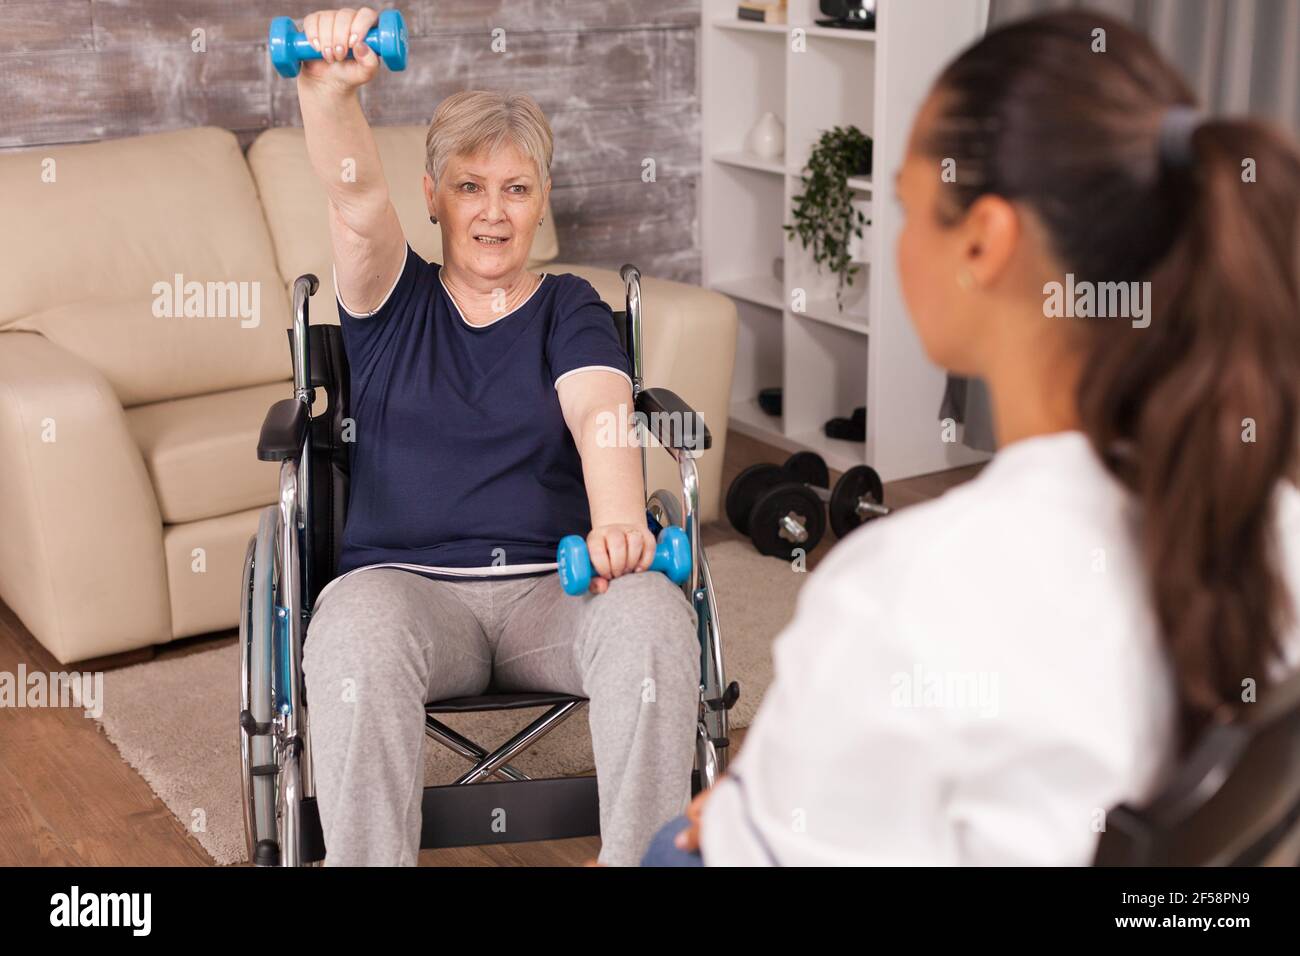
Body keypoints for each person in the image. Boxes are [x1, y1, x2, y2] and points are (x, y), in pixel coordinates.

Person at [646, 11, 1300, 866]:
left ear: (986, 241)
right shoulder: (1277, 524)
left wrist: (732, 817)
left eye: (910, 208)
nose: (899, 242)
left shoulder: (900, 595)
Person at [292, 7, 700, 866]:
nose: (493, 212)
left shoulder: (568, 307)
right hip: (408, 592)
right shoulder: (391, 298)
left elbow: (599, 410)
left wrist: (620, 519)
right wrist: (328, 91)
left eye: (515, 189)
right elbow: (355, 193)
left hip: (556, 587)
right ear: (434, 197)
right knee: (352, 632)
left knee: (655, 617)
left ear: (541, 201)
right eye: (470, 187)